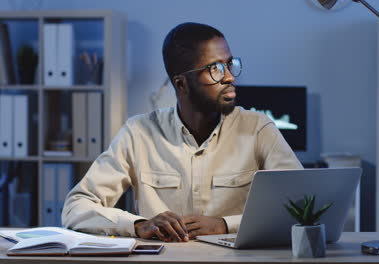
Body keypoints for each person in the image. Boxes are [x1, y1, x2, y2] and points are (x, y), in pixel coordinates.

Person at [62, 22, 302, 242]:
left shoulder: (259, 128)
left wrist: (225, 225)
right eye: (215, 69)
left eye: (229, 64)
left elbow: (302, 205)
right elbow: (76, 207)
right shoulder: (138, 133)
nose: (229, 77)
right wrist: (137, 225)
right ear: (181, 84)